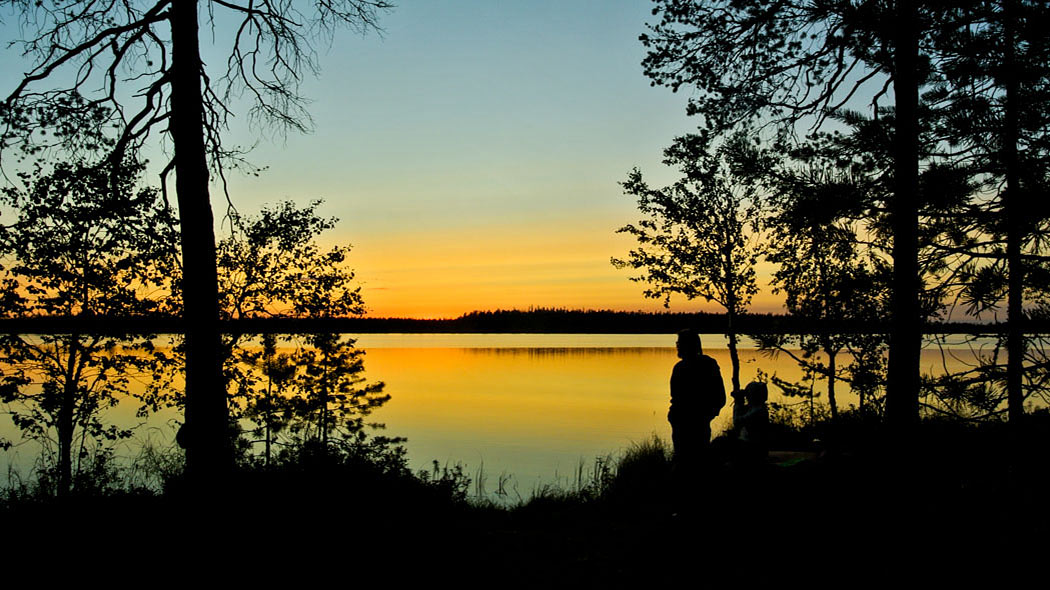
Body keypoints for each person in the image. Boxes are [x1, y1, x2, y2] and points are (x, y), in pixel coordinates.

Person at [668, 329, 726, 471]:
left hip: (693, 422)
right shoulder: (703, 365)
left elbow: (719, 396)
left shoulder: (701, 366)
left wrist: (706, 415)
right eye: (677, 343)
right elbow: (675, 397)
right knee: (691, 460)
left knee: (690, 461)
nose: (677, 346)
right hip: (686, 421)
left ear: (688, 345)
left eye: (679, 343)